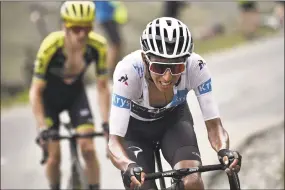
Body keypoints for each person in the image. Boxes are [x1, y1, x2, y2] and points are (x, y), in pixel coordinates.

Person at [107, 17, 242, 190]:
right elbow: (114, 142)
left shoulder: (196, 66)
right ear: (145, 59)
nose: (167, 77)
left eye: (177, 68)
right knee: (140, 186)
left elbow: (215, 126)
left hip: (173, 123)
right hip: (135, 132)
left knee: (192, 180)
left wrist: (224, 150)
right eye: (159, 68)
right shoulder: (128, 72)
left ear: (186, 62)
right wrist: (127, 166)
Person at [29, 1, 110, 190]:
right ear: (64, 26)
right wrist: (42, 127)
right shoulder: (51, 45)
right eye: (76, 28)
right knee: (53, 157)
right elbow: (35, 91)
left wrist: (106, 124)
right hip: (49, 99)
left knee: (88, 148)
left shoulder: (98, 46)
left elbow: (102, 87)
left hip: (75, 97)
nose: (82, 34)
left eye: (87, 28)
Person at [94, 1, 128, 79]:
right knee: (115, 44)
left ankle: (110, 70)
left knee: (115, 44)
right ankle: (109, 71)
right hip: (108, 17)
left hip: (106, 16)